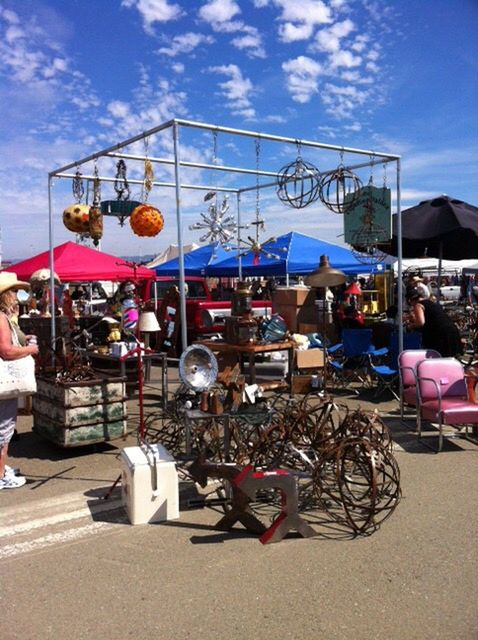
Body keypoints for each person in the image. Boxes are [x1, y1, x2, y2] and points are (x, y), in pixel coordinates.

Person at [0, 272, 39, 490]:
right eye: (13, 291)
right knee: (4, 428)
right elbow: (6, 351)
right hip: (3, 382)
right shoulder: (1, 318)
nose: (16, 295)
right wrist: (30, 349)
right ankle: (1, 476)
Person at [406, 286, 463, 357]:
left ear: (410, 300)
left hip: (441, 334)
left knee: (440, 358)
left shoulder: (418, 305)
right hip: (451, 329)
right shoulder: (431, 302)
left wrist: (411, 326)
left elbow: (420, 322)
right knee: (449, 358)